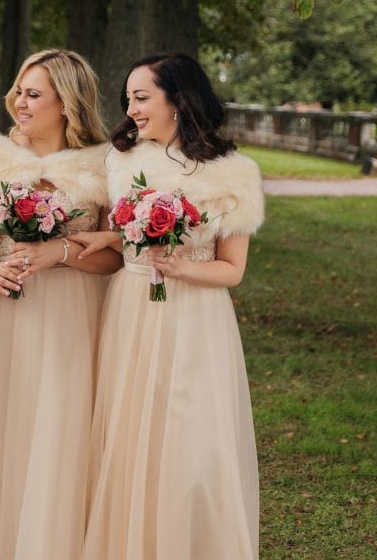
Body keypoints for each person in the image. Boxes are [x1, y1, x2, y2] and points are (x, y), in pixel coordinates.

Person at [74, 53, 263, 559]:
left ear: (178, 99)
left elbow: (232, 270)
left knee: (191, 441)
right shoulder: (123, 161)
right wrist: (105, 238)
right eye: (128, 99)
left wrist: (179, 266)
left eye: (142, 98)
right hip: (132, 308)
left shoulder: (234, 173)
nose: (132, 109)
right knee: (130, 439)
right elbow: (123, 235)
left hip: (197, 319)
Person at [0, 49, 122, 559]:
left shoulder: (103, 166)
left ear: (66, 103)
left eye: (34, 94)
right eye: (19, 91)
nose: (20, 103)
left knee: (60, 432)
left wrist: (62, 251)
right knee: (0, 430)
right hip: (4, 313)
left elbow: (114, 256)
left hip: (73, 314)